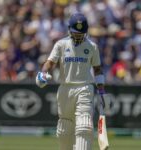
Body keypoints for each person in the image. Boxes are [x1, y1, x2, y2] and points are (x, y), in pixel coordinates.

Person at [35, 13, 106, 150]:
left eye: (81, 33)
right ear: (69, 29)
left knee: (84, 126)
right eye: (75, 33)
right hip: (65, 88)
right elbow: (50, 63)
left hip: (85, 87)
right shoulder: (61, 44)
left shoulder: (92, 46)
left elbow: (97, 69)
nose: (78, 36)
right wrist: (43, 73)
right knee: (64, 127)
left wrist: (101, 90)